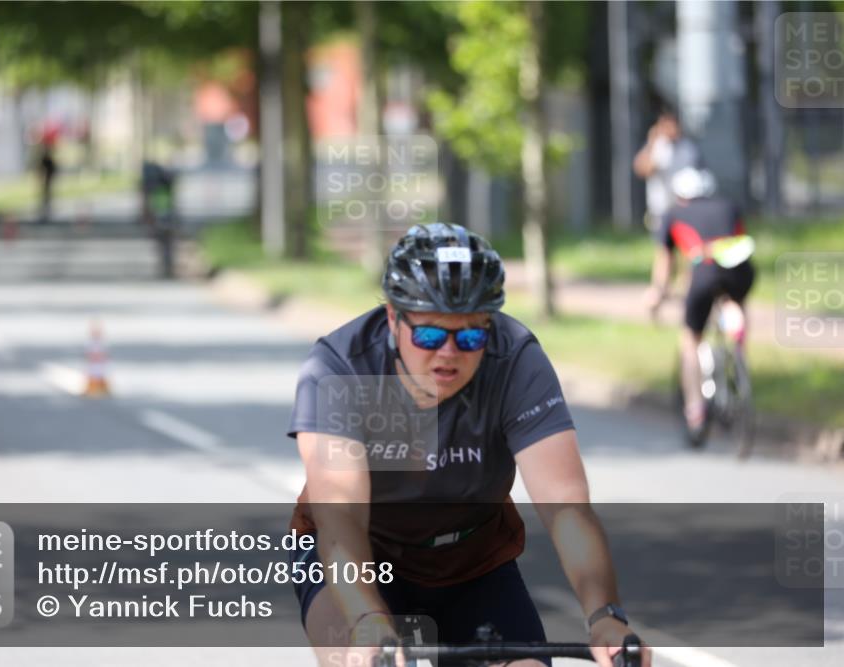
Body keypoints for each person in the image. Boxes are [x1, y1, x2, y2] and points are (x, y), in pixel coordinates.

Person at [288, 223, 650, 667]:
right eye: (429, 335)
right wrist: (368, 619)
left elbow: (567, 505)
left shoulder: (514, 360)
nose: (448, 353)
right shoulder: (342, 368)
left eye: (471, 336)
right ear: (392, 318)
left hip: (472, 560)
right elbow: (340, 518)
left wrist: (604, 615)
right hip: (363, 558)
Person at [644, 167, 755, 438]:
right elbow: (738, 238)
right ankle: (736, 337)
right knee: (733, 297)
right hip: (741, 270)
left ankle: (695, 410)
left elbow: (665, 261)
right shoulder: (730, 206)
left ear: (680, 195)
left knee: (690, 340)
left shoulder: (673, 213)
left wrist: (658, 293)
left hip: (704, 271)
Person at [633, 110, 702, 231]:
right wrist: (651, 143)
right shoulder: (658, 146)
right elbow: (642, 170)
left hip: (683, 206)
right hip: (661, 206)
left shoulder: (688, 148)